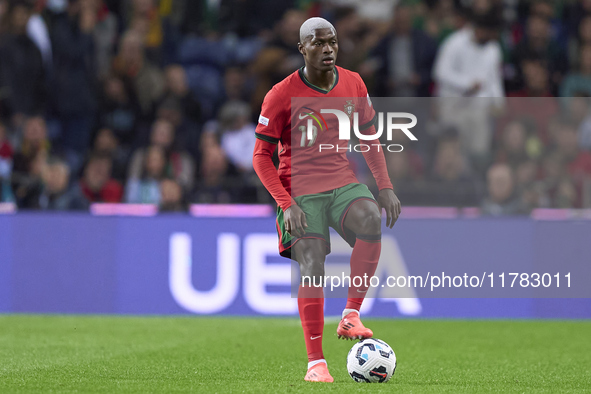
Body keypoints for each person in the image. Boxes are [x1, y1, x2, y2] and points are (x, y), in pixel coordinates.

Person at [252, 17, 400, 383]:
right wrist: (286, 204)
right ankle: (315, 364)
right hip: (299, 190)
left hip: (341, 181)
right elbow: (260, 156)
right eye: (318, 43)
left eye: (332, 42)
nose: (328, 49)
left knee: (369, 217)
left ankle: (351, 314)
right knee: (312, 259)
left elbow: (369, 137)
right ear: (302, 49)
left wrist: (384, 186)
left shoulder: (353, 82)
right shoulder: (281, 94)